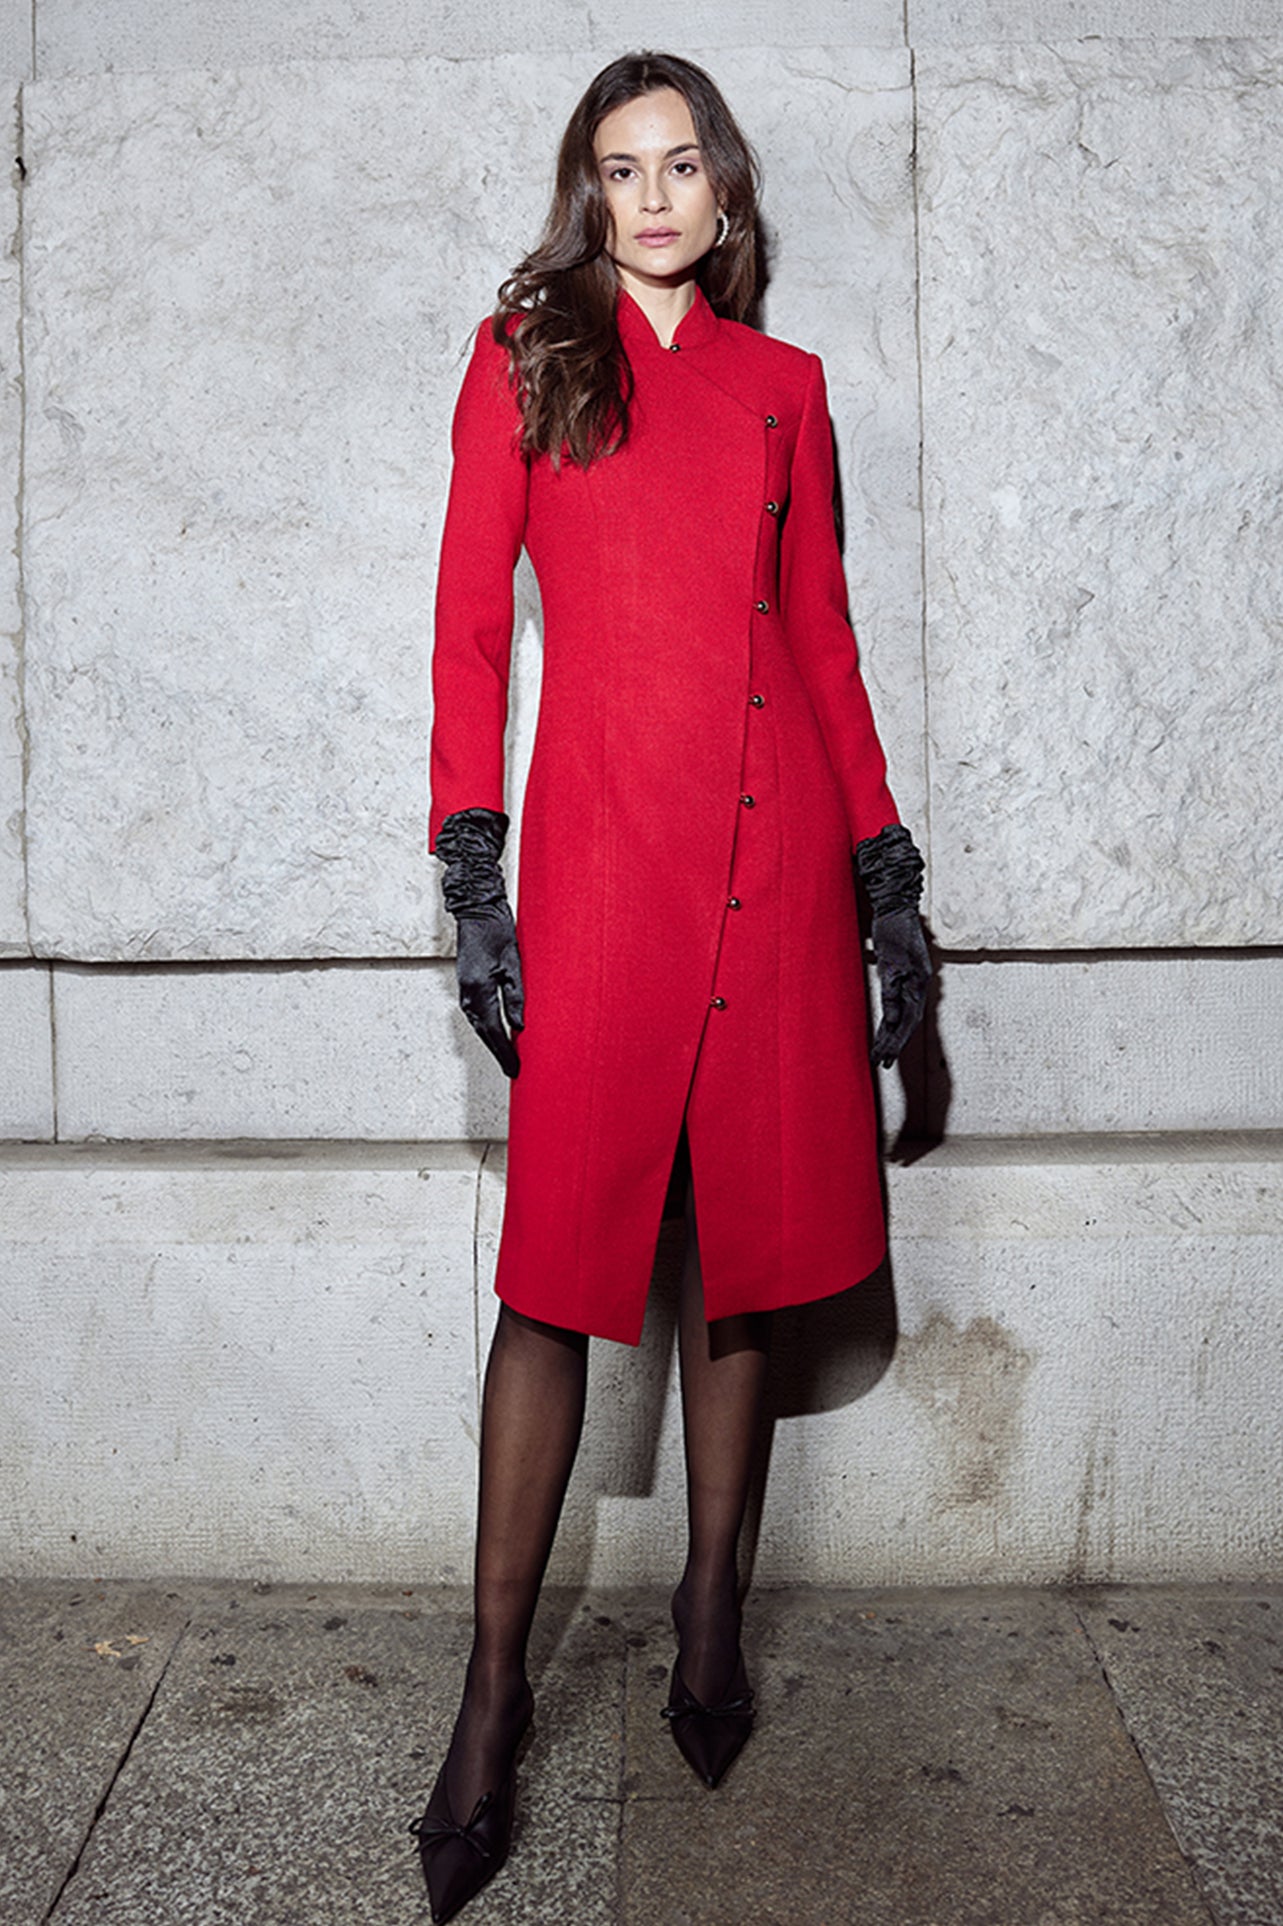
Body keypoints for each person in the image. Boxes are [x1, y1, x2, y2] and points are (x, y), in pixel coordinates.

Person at [412, 49, 931, 1923]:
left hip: (774, 856)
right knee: (555, 1274)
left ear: (726, 194)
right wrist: (475, 866)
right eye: (618, 167)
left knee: (737, 1249)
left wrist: (884, 878)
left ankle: (714, 1604)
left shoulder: (786, 393)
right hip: (604, 878)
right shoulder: (524, 358)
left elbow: (824, 638)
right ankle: (490, 1698)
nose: (651, 194)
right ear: (589, 192)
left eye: (682, 163)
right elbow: (471, 627)